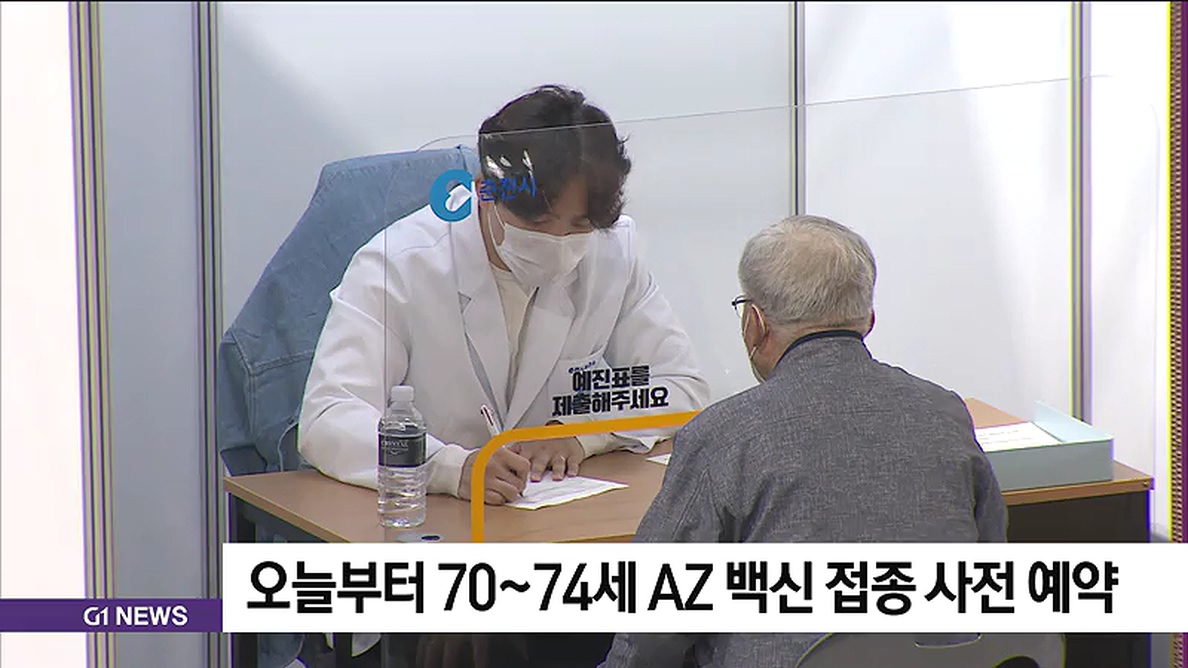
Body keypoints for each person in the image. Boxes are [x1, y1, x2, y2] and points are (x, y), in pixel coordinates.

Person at [296, 84, 709, 667]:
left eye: (578, 226)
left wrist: (582, 434)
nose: (560, 245)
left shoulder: (613, 251)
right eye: (540, 223)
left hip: (555, 551)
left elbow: (683, 388)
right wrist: (451, 467)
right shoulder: (400, 263)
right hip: (432, 555)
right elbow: (328, 417)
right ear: (486, 192)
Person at [599, 215, 1007, 668]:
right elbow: (992, 564)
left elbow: (655, 617)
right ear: (868, 320)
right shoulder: (944, 412)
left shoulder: (723, 434)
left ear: (754, 324)